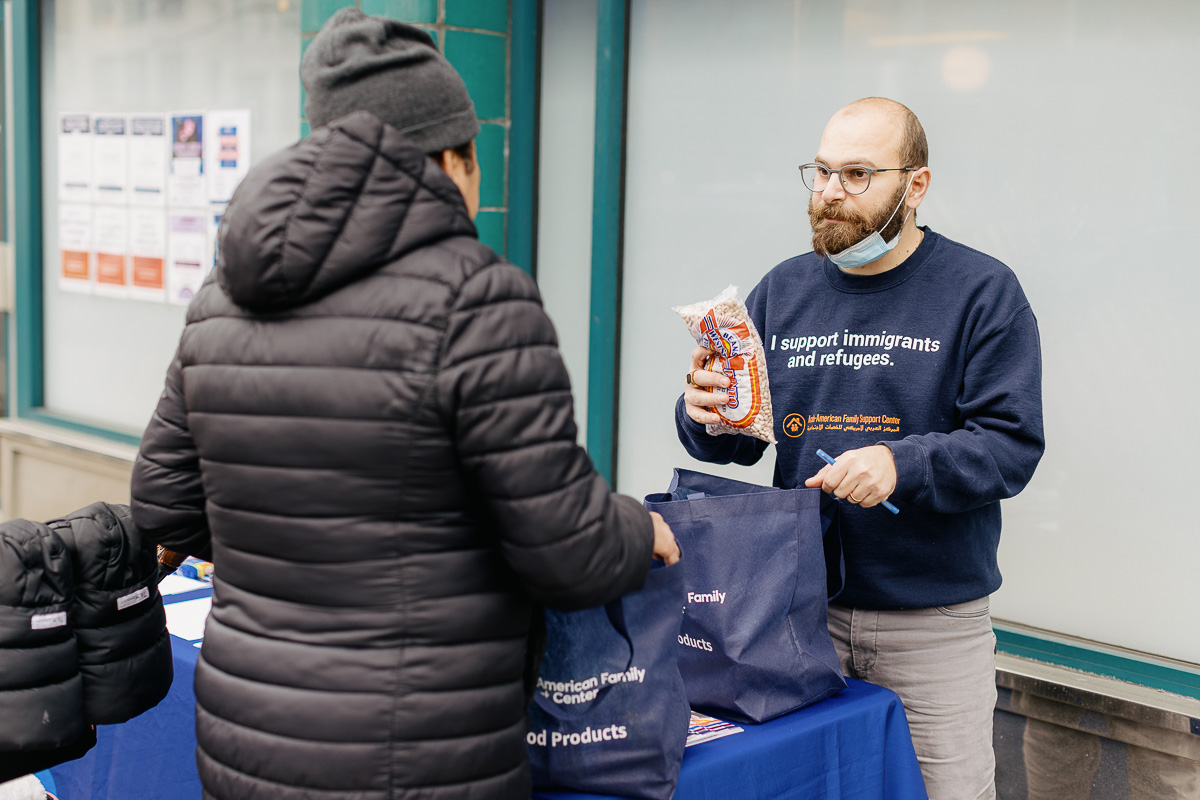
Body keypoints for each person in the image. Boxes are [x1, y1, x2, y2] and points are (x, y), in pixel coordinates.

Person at [131, 9, 679, 800]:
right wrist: (637, 527)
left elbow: (163, 510)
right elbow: (568, 552)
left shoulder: (223, 296)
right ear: (453, 157)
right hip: (419, 755)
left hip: (248, 744)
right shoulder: (477, 297)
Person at [677, 97, 1044, 799]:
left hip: (930, 625)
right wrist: (703, 414)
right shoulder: (782, 290)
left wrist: (900, 464)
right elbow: (737, 438)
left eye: (856, 175)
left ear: (916, 185)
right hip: (789, 614)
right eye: (819, 173)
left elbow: (1010, 447)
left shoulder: (981, 291)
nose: (830, 194)